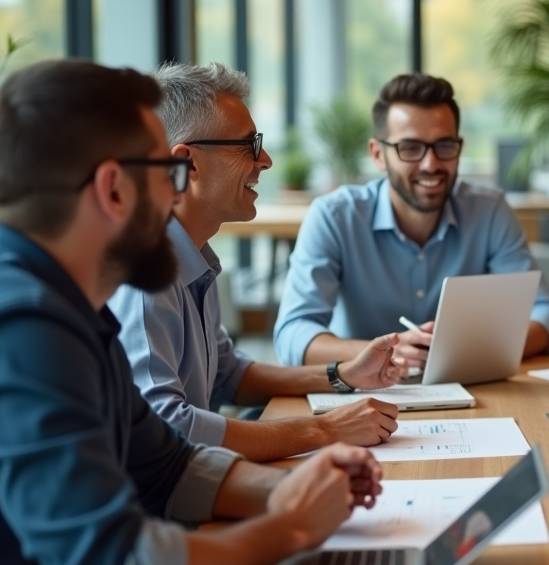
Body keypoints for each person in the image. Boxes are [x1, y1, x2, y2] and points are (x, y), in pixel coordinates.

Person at [0, 60, 383, 565]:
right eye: (167, 171)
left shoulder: (68, 305)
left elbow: (167, 467)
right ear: (114, 189)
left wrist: (288, 487)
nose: (176, 192)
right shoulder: (18, 329)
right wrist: (288, 527)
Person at [109, 63, 402, 463]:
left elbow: (229, 375)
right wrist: (326, 429)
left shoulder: (193, 258)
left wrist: (344, 374)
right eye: (248, 145)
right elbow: (165, 426)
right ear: (187, 164)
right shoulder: (145, 274)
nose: (264, 160)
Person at [274, 73, 549, 369]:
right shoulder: (335, 217)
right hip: (360, 399)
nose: (431, 164)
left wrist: (465, 351)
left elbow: (546, 316)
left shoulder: (489, 212)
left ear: (459, 147)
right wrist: (383, 353)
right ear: (378, 154)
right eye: (410, 148)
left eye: (445, 146)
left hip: (471, 392)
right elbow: (293, 336)